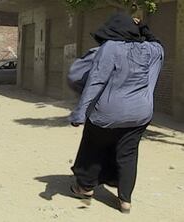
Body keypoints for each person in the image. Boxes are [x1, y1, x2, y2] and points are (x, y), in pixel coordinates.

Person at [68, 13, 164, 214]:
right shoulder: (153, 50)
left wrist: (79, 113)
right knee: (128, 154)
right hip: (140, 114)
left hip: (108, 113)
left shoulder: (110, 47)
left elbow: (96, 81)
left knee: (92, 148)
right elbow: (156, 40)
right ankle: (125, 201)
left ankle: (85, 188)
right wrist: (143, 27)